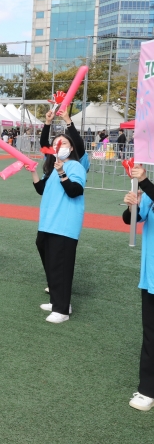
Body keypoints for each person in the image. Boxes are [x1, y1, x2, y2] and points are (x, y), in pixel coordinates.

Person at [29, 133, 86, 324]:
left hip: (64, 224)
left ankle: (62, 310)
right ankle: (58, 301)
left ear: (71, 148)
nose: (58, 146)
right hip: (47, 223)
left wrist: (62, 172)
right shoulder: (52, 169)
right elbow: (41, 189)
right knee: (52, 264)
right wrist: (33, 172)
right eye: (55, 144)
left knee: (60, 265)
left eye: (63, 143)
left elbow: (74, 191)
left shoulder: (75, 166)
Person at [123, 165, 154, 411]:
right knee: (151, 334)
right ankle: (147, 390)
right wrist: (131, 205)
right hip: (151, 277)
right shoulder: (150, 194)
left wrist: (144, 181)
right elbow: (131, 220)